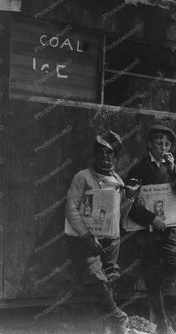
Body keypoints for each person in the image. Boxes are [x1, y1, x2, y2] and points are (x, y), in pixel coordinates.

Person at [65, 131, 138, 334]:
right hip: (87, 238)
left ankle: (107, 324)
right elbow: (71, 209)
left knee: (111, 276)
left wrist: (129, 197)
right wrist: (87, 236)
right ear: (94, 154)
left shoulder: (117, 180)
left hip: (111, 239)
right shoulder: (83, 177)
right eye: (102, 152)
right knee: (94, 275)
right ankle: (117, 315)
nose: (106, 156)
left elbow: (119, 215)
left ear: (114, 157)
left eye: (110, 153)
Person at [126, 124, 176, 334]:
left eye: (167, 143)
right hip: (147, 233)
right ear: (149, 145)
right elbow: (129, 204)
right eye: (158, 143)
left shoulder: (171, 167)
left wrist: (174, 172)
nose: (163, 147)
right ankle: (163, 326)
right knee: (154, 283)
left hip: (168, 230)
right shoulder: (138, 169)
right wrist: (151, 218)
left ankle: (152, 277)